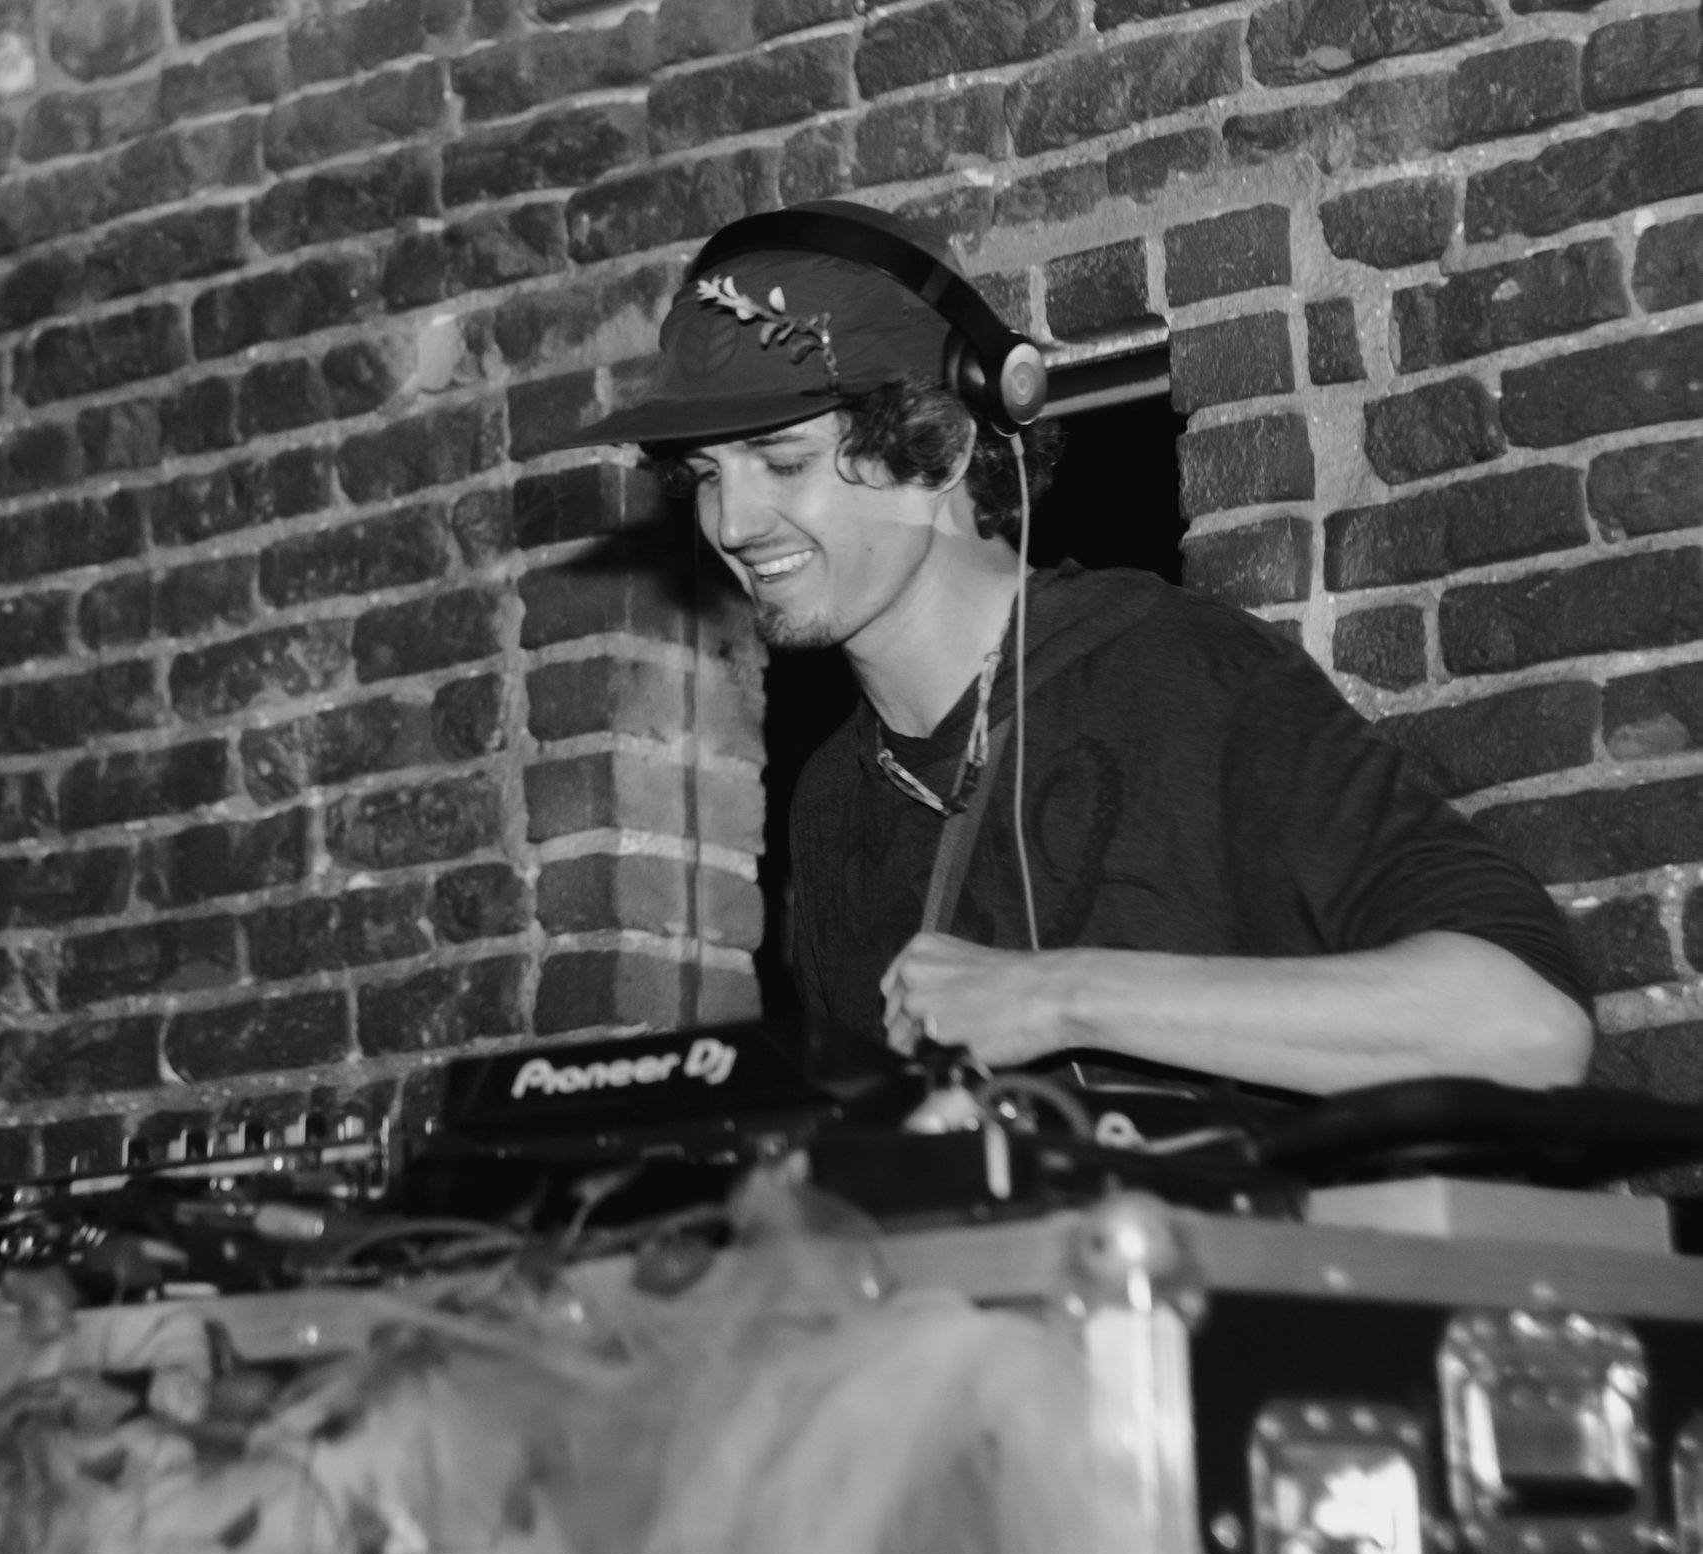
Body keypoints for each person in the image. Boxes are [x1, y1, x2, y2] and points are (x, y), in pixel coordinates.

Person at [562, 200, 1592, 1097]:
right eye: (702, 475)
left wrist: (1068, 995)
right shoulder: (833, 797)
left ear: (941, 448)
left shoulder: (1179, 672)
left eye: (781, 461)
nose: (731, 522)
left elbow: (1523, 1028)